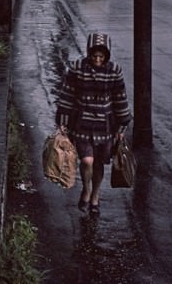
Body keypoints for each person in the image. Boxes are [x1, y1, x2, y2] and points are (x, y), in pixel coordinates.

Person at [55, 32, 132, 216]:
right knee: (87, 160)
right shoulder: (77, 68)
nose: (97, 60)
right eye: (94, 55)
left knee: (99, 164)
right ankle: (86, 190)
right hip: (82, 123)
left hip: (105, 126)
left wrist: (122, 127)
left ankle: (95, 196)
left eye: (101, 56)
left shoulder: (114, 71)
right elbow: (67, 96)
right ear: (89, 54)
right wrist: (63, 125)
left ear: (107, 56)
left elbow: (120, 98)